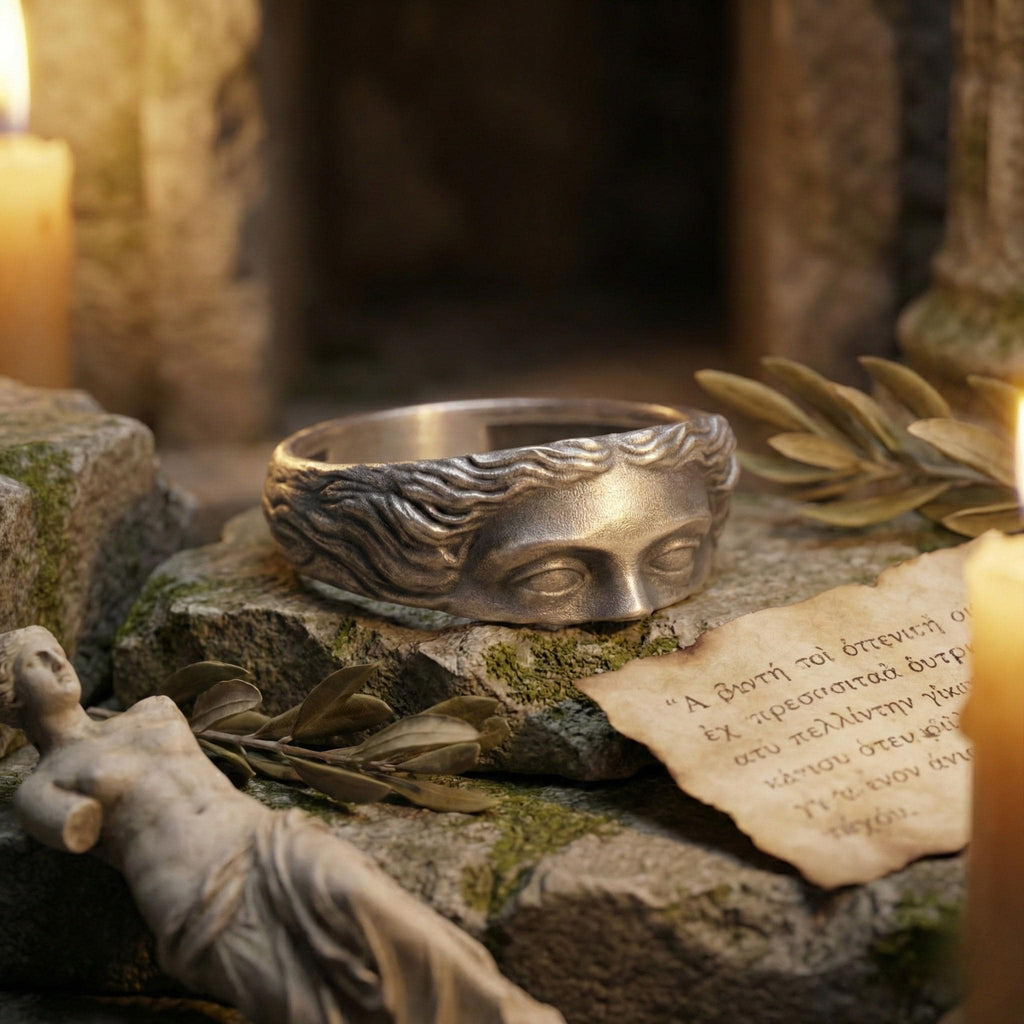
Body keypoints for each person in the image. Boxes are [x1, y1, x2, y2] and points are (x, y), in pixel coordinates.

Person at [0, 625, 564, 1024]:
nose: (58, 663)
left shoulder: (154, 710)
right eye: (36, 662)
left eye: (56, 651)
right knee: (303, 1010)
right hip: (201, 903)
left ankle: (508, 1015)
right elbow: (70, 827)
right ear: (13, 700)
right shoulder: (43, 786)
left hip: (268, 842)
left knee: (384, 912)